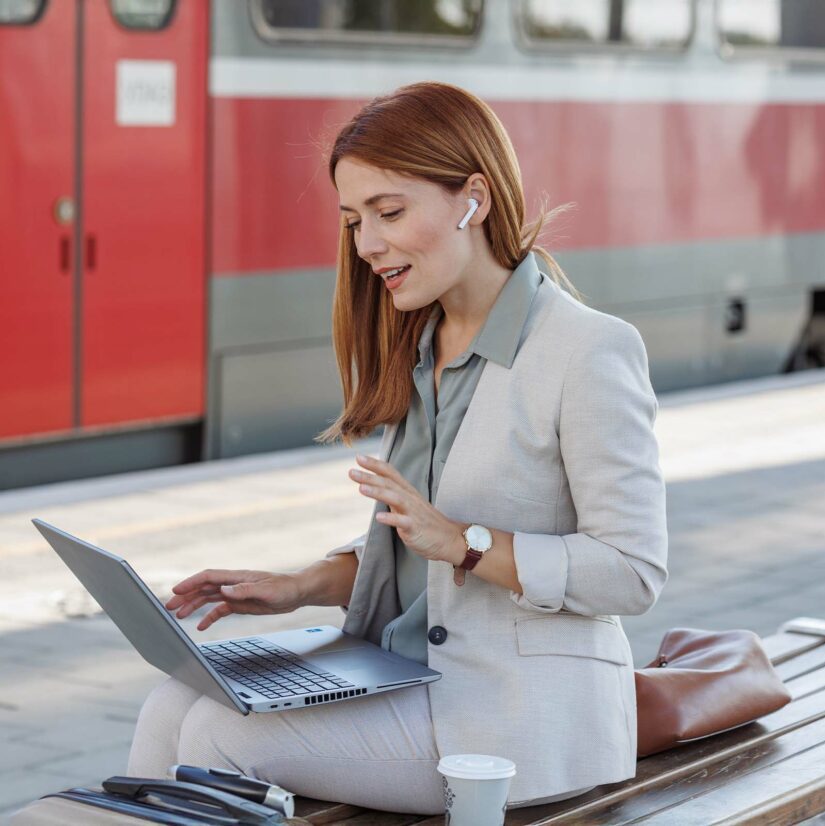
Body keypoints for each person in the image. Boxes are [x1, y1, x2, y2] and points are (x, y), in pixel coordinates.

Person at [127, 81, 668, 814]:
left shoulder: (588, 349)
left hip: (514, 714)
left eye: (389, 212)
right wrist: (300, 585)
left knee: (223, 734)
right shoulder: (423, 344)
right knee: (171, 704)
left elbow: (633, 571)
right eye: (354, 220)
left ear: (472, 198)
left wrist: (466, 543)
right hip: (408, 676)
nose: (367, 244)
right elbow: (416, 552)